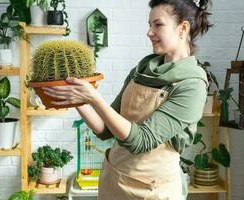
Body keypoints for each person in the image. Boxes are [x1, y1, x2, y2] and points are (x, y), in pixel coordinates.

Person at [43, 0, 211, 199]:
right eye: (150, 25)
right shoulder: (141, 71)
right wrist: (78, 99)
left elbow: (141, 141)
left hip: (152, 191)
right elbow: (105, 130)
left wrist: (94, 98)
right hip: (114, 183)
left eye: (158, 24)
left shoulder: (192, 84)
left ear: (183, 28)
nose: (149, 32)